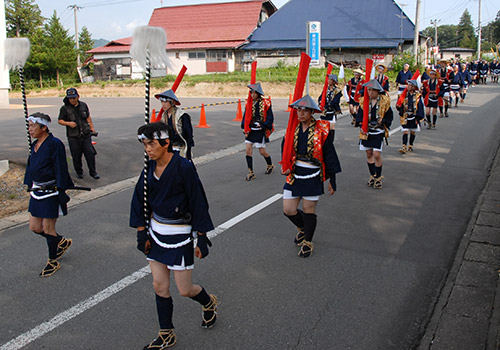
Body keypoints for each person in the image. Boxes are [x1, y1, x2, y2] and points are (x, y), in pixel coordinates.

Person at [130, 122, 218, 349]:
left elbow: (198, 202)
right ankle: (166, 333)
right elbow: (139, 200)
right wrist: (142, 232)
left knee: (185, 290)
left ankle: (208, 302)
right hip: (156, 232)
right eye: (144, 144)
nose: (147, 149)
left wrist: (202, 236)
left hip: (179, 235)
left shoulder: (184, 167)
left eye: (151, 144)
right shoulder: (148, 168)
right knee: (159, 286)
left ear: (166, 142)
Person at [281, 95, 341, 258]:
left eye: (304, 110)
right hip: (295, 174)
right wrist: (285, 165)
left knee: (309, 210)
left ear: (312, 112)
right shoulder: (292, 128)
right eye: (298, 110)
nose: (300, 113)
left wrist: (333, 180)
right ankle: (302, 228)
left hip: (313, 173)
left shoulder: (322, 129)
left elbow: (329, 154)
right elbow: (285, 147)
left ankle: (308, 241)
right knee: (288, 209)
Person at [24, 113, 74, 277]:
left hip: (50, 191)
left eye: (33, 126)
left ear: (44, 127)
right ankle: (60, 241)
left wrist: (61, 189)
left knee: (47, 228)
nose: (30, 129)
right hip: (37, 191)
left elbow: (61, 167)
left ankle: (52, 262)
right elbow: (31, 165)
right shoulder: (35, 144)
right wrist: (29, 182)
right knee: (35, 227)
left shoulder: (54, 144)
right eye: (29, 126)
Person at [355, 79, 393, 189]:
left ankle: (379, 177)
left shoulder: (385, 101)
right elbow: (359, 115)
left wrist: (384, 121)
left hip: (378, 131)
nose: (370, 92)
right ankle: (372, 175)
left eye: (372, 90)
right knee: (369, 154)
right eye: (369, 90)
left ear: (377, 91)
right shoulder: (364, 101)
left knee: (376, 154)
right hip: (367, 131)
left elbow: (389, 116)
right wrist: (361, 124)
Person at [58, 88, 99, 180]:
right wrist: (68, 123)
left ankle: (93, 172)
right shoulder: (65, 108)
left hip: (85, 134)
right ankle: (79, 172)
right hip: (73, 136)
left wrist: (92, 128)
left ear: (78, 97)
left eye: (74, 98)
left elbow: (88, 117)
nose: (72, 100)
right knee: (76, 156)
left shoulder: (83, 105)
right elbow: (60, 121)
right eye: (70, 98)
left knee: (90, 153)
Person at [241, 82, 274, 180]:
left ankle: (270, 164)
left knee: (262, 152)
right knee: (248, 150)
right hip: (251, 129)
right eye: (251, 92)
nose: (253, 95)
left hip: (260, 129)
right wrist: (245, 126)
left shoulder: (266, 103)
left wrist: (263, 125)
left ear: (258, 93)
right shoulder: (249, 103)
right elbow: (245, 116)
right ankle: (251, 172)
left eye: (255, 93)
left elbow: (270, 117)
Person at [154, 89, 194, 161]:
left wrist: (188, 153)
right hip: (168, 148)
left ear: (172, 102)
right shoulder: (164, 115)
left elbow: (188, 135)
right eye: (162, 102)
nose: (163, 104)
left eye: (165, 102)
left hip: (181, 147)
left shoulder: (182, 115)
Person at [396, 80, 425, 154]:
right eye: (408, 85)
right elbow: (400, 104)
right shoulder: (404, 95)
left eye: (409, 85)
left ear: (413, 87)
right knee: (405, 131)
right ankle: (404, 146)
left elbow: (420, 107)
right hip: (406, 115)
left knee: (412, 132)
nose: (408, 87)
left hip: (414, 116)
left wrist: (418, 118)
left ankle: (411, 145)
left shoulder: (418, 96)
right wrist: (399, 107)